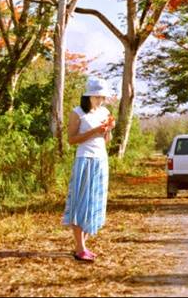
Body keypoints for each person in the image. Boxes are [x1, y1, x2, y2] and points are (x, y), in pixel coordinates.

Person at [61, 77, 116, 262]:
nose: (100, 100)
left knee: (95, 202)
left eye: (102, 97)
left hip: (100, 160)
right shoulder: (77, 113)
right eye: (97, 97)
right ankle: (80, 247)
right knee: (80, 202)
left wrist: (108, 130)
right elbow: (71, 139)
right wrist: (94, 131)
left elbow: (106, 141)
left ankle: (82, 246)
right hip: (85, 159)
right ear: (88, 96)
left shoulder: (104, 112)